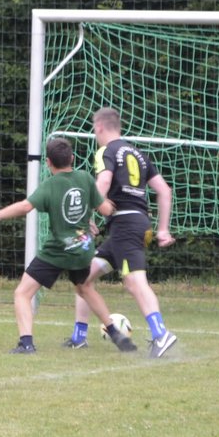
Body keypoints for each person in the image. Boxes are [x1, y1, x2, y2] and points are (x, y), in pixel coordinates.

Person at [0, 137, 134, 355]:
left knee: (22, 293)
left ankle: (26, 343)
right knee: (84, 288)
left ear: (48, 162)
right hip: (83, 249)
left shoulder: (49, 186)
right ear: (72, 158)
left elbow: (25, 207)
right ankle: (116, 334)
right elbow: (105, 209)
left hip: (58, 250)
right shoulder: (85, 178)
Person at [67, 106, 178, 358]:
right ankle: (79, 337)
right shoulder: (138, 154)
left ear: (99, 127)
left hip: (126, 225)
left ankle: (161, 334)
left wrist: (87, 215)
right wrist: (162, 229)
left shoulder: (106, 151)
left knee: (134, 282)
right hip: (130, 226)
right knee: (83, 278)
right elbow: (164, 190)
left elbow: (103, 182)